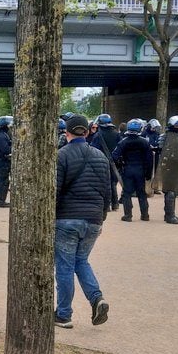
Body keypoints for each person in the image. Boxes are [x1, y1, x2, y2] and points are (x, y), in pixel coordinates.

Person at [53, 114, 110, 329]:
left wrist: (52, 217)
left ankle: (64, 314)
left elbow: (56, 191)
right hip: (93, 218)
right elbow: (107, 192)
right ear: (87, 132)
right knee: (81, 261)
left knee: (65, 266)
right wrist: (101, 218)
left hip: (67, 218)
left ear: (66, 132)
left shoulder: (61, 156)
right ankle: (96, 298)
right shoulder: (100, 157)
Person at [112, 119, 152, 222]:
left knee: (127, 193)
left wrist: (120, 165)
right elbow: (149, 159)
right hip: (140, 170)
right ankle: (145, 215)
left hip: (128, 169)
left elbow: (114, 156)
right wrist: (148, 173)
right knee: (141, 193)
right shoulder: (144, 142)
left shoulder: (123, 142)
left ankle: (128, 215)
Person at [90, 113, 120, 210]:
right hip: (115, 162)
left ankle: (107, 205)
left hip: (101, 162)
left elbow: (93, 149)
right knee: (113, 183)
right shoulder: (117, 134)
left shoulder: (98, 135)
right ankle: (115, 204)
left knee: (105, 183)